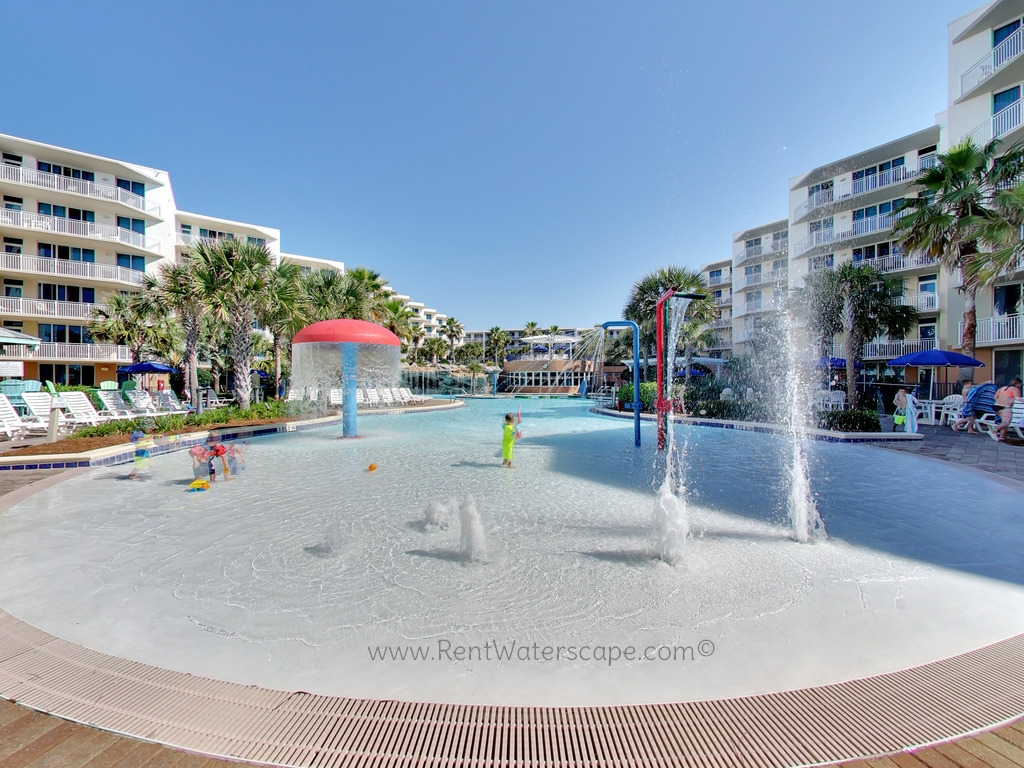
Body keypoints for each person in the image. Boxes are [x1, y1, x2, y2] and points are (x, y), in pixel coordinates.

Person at [994, 377, 1023, 442]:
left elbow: (995, 397)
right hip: (1005, 407)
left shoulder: (1002, 388)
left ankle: (1002, 436)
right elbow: (1018, 398)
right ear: (1018, 383)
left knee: (1004, 421)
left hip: (996, 406)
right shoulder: (1015, 389)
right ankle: (994, 430)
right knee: (1006, 422)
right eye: (1021, 384)